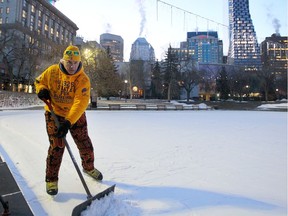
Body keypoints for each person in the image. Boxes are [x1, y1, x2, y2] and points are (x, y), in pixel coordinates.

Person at [35, 45, 103, 196]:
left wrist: (68, 122)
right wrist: (41, 89)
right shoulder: (52, 71)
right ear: (63, 61)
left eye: (75, 63)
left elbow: (81, 102)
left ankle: (88, 167)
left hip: (74, 114)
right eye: (69, 62)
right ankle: (51, 179)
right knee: (57, 146)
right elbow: (39, 81)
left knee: (84, 143)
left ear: (80, 63)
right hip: (54, 113)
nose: (72, 66)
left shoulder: (83, 79)